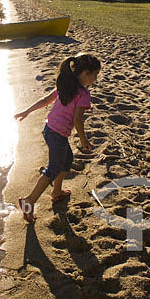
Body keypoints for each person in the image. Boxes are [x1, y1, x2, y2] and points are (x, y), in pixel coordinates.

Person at [14, 52, 101, 222]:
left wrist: (27, 111)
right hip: (58, 135)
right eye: (95, 75)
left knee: (67, 159)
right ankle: (29, 201)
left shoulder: (65, 85)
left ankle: (56, 192)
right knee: (53, 169)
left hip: (49, 130)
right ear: (85, 73)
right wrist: (83, 139)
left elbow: (46, 99)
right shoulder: (83, 95)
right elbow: (77, 119)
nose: (95, 79)